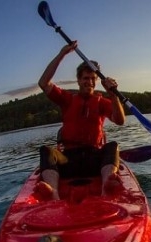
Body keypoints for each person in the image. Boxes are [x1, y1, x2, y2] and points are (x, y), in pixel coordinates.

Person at [34, 41, 125, 200]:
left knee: (112, 146)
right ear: (78, 80)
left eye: (92, 79)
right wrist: (62, 54)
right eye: (85, 78)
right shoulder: (67, 99)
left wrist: (113, 96)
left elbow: (120, 120)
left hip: (94, 159)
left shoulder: (103, 102)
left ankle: (106, 185)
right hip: (68, 160)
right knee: (46, 151)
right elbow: (43, 83)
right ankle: (53, 193)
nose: (89, 82)